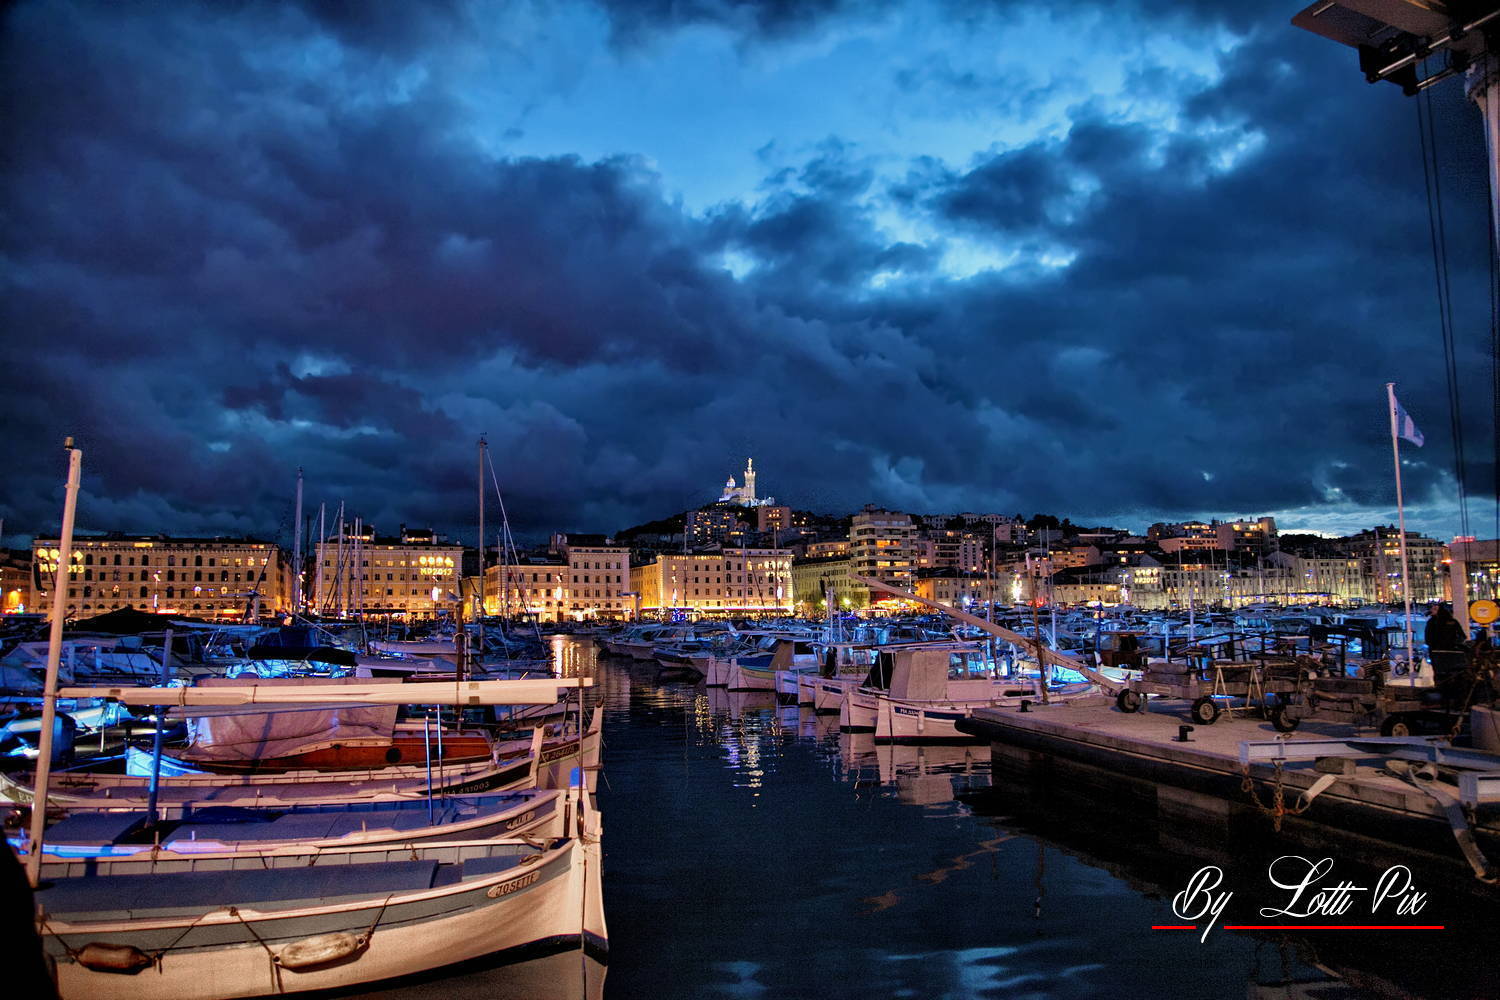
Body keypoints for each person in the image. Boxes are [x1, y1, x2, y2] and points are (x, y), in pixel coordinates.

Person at [1424, 603, 1468, 683]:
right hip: (1449, 651)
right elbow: (1462, 636)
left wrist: (1432, 646)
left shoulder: (1432, 622)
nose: (1432, 611)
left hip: (1438, 652)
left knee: (1440, 672)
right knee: (1451, 672)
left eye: (1434, 609)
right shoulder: (1451, 621)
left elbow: (1428, 637)